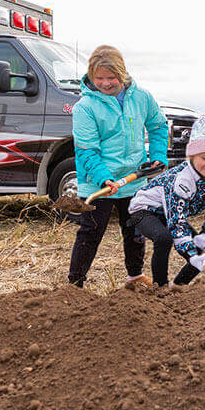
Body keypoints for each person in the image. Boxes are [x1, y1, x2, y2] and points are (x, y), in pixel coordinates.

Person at [67, 45, 169, 288]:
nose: (105, 83)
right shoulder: (85, 107)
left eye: (111, 77)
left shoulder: (142, 97)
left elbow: (158, 126)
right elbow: (86, 150)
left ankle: (135, 276)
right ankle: (74, 286)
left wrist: (158, 156)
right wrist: (103, 178)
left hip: (134, 178)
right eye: (99, 78)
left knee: (134, 230)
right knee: (90, 233)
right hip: (98, 183)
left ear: (122, 73)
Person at [128, 114, 205, 286]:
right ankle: (161, 288)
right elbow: (177, 223)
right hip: (144, 210)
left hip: (169, 213)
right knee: (164, 238)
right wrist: (191, 255)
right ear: (192, 156)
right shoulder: (181, 180)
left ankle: (179, 288)